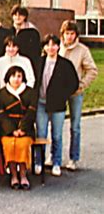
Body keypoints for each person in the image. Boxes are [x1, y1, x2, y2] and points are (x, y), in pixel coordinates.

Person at [35, 34, 79, 177]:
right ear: (44, 47)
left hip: (58, 105)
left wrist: (62, 95)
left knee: (57, 135)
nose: (51, 47)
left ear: (58, 46)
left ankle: (56, 162)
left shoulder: (65, 64)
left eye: (54, 45)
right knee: (41, 134)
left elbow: (73, 84)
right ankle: (39, 162)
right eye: (48, 45)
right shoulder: (39, 62)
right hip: (41, 103)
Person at [59, 20, 98, 171]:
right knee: (57, 125)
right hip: (60, 93)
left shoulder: (82, 50)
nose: (69, 37)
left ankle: (73, 158)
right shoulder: (57, 47)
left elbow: (92, 70)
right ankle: (55, 156)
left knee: (75, 126)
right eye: (66, 33)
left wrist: (81, 85)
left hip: (75, 92)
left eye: (72, 34)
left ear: (76, 35)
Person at [0, 66, 37, 190]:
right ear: (8, 78)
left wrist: (22, 129)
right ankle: (14, 174)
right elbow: (1, 114)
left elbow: (31, 112)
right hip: (8, 129)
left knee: (22, 144)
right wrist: (11, 130)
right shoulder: (2, 93)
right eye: (13, 76)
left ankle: (23, 174)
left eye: (19, 76)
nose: (16, 79)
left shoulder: (30, 92)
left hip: (26, 128)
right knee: (9, 144)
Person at [11, 5, 41, 75]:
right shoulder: (9, 31)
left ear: (25, 16)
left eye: (20, 15)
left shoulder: (33, 32)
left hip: (29, 65)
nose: (17, 17)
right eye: (15, 15)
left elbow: (36, 52)